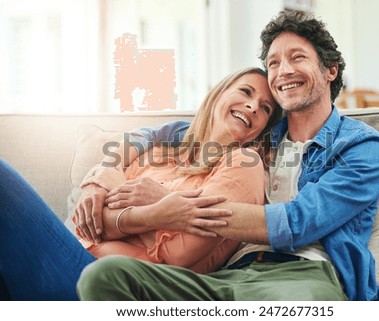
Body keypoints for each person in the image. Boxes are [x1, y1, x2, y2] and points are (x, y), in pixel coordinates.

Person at [76, 10, 379, 301]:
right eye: (273, 63)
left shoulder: (362, 147)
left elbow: (297, 224)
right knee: (106, 276)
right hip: (230, 274)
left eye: (297, 58)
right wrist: (98, 181)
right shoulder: (257, 131)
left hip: (306, 276)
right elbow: (154, 135)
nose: (283, 71)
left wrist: (172, 204)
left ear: (330, 70)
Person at [0, 67, 281, 300]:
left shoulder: (244, 165)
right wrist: (159, 216)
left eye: (265, 108)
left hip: (106, 283)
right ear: (220, 92)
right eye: (246, 92)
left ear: (263, 129)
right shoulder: (160, 154)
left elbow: (181, 254)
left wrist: (149, 208)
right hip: (75, 252)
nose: (252, 106)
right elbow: (95, 221)